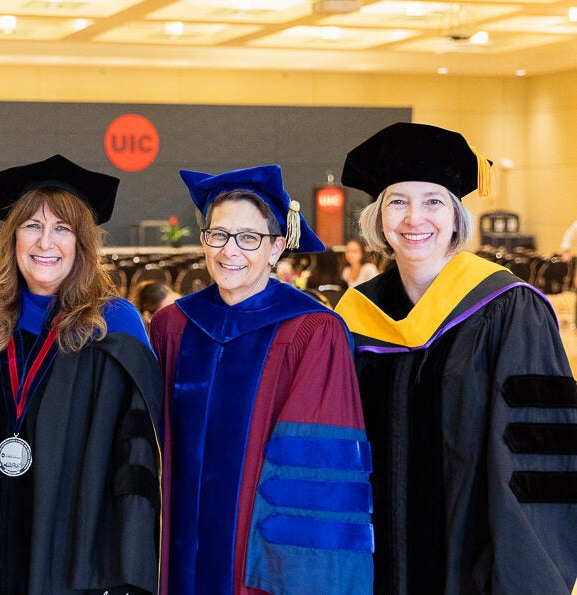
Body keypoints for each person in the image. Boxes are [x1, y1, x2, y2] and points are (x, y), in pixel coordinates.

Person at [334, 122, 577, 594]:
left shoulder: (508, 309)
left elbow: (538, 459)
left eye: (433, 201)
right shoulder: (353, 315)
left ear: (456, 215)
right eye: (398, 202)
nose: (414, 219)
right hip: (369, 566)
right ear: (378, 218)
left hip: (473, 569)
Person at [0, 154, 162, 595]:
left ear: (83, 243)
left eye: (62, 229)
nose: (45, 243)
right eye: (32, 226)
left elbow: (136, 463)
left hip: (76, 560)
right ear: (12, 237)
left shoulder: (116, 328)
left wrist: (125, 572)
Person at [151, 164, 374, 595]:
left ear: (276, 248)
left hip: (258, 564)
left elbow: (316, 475)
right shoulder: (171, 327)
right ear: (203, 241)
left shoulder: (313, 332)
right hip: (175, 549)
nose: (229, 250)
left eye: (249, 238)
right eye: (218, 235)